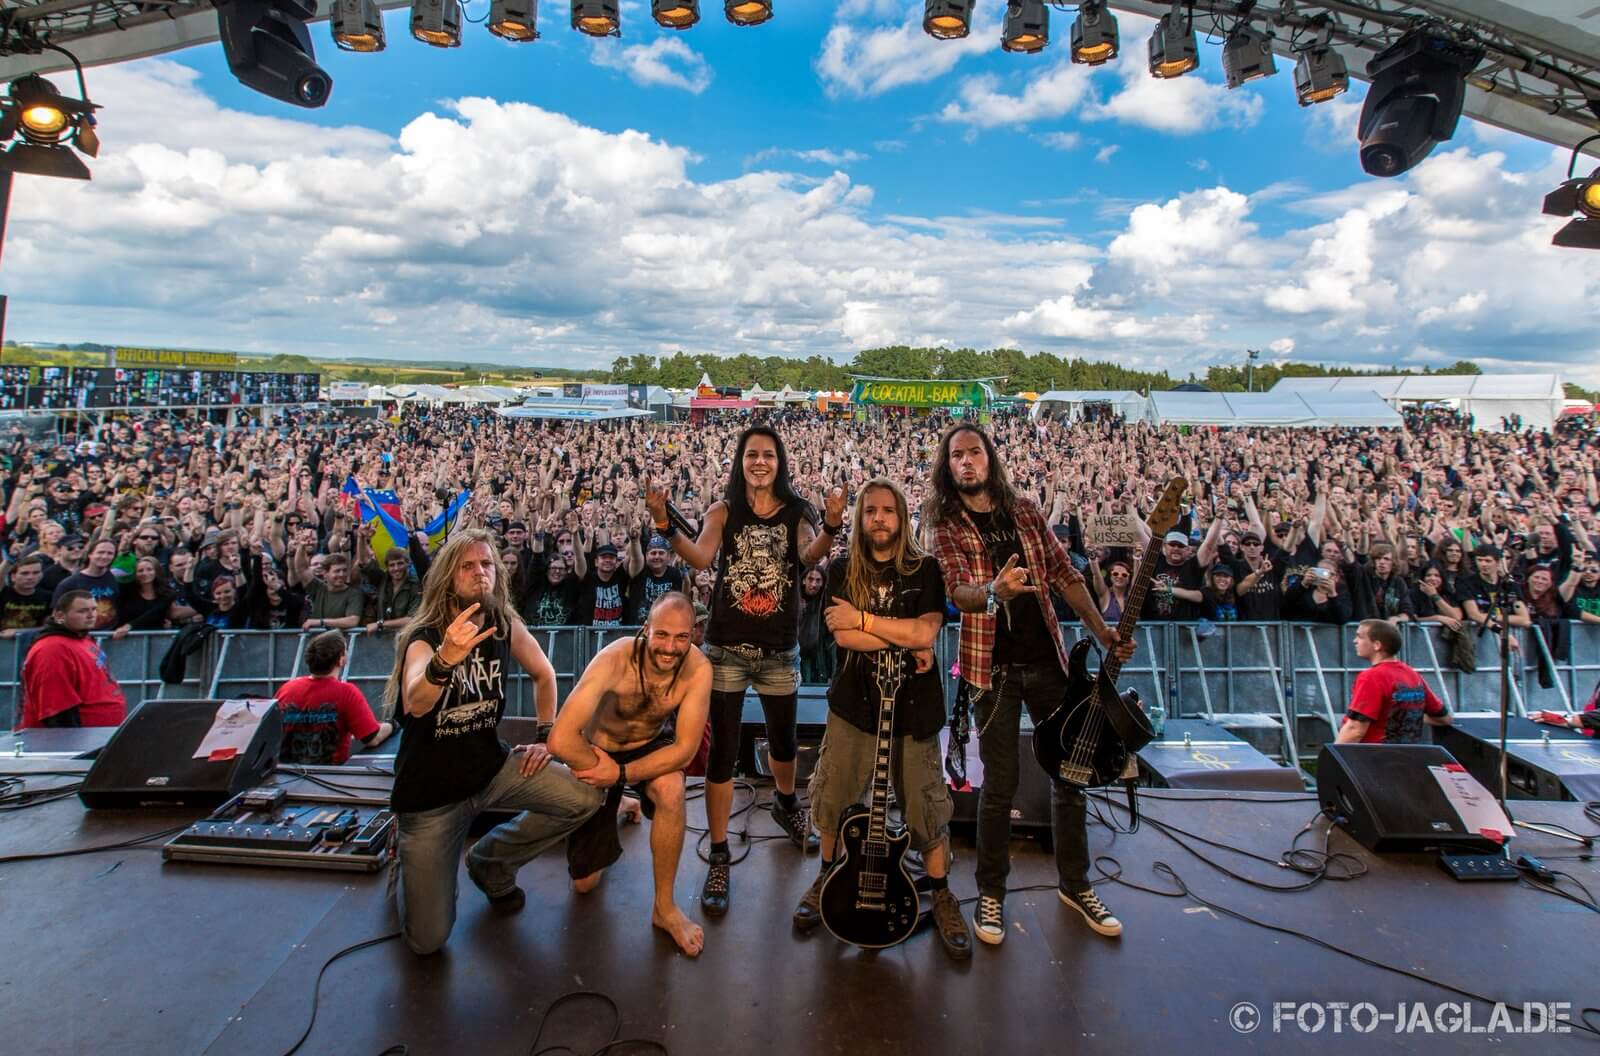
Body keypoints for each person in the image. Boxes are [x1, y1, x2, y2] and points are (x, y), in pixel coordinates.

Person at [925, 423, 1134, 946]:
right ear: (948, 467)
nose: (967, 461)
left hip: (1049, 664)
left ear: (990, 458)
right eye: (957, 456)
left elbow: (1066, 575)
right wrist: (992, 590)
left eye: (975, 452)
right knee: (999, 786)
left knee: (1071, 777)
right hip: (991, 670)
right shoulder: (947, 523)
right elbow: (958, 590)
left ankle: (1076, 883)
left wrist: (1102, 631)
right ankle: (991, 892)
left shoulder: (1025, 512)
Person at [645, 424, 837, 918]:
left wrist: (832, 528)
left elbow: (808, 554)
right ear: (740, 461)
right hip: (727, 647)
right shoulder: (723, 511)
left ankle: (787, 803)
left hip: (777, 649)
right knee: (723, 752)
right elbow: (702, 557)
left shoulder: (798, 511)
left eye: (768, 455)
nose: (760, 462)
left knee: (783, 741)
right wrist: (666, 525)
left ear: (780, 462)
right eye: (752, 455)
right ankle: (719, 850)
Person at [384, 529, 602, 956]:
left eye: (486, 564)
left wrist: (546, 738)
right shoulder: (426, 636)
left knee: (585, 797)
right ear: (448, 577)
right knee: (428, 942)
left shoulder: (503, 624)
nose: (479, 573)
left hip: (491, 769)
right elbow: (416, 701)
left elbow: (545, 673)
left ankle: (490, 863)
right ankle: (403, 862)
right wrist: (446, 658)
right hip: (430, 795)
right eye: (467, 566)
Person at [791, 478, 971, 960]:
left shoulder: (926, 568)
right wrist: (904, 637)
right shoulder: (843, 568)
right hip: (853, 704)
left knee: (925, 807)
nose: (879, 518)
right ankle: (826, 877)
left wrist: (867, 622)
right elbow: (844, 638)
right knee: (832, 797)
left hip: (915, 709)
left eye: (888, 510)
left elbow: (925, 630)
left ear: (902, 516)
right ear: (859, 517)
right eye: (870, 510)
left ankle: (942, 891)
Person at [548, 593, 712, 957]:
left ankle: (664, 908)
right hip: (597, 750)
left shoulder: (698, 669)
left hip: (646, 747)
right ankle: (622, 804)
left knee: (672, 787)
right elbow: (560, 739)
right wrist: (603, 771)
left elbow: (684, 749)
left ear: (693, 635)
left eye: (681, 637)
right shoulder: (614, 659)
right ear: (645, 630)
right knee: (584, 885)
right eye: (662, 635)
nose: (670, 647)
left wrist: (619, 774)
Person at [276, 629, 393, 765]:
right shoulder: (346, 693)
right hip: (328, 777)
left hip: (286, 775)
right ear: (341, 660)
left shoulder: (286, 689)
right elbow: (373, 738)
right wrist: (392, 724)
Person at [18, 590, 127, 729]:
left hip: (98, 735)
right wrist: (72, 746)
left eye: (94, 609)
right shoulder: (53, 649)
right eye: (82, 611)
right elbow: (56, 709)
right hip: (75, 740)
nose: (91, 615)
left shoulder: (82, 638)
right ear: (60, 616)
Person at [1336, 619, 1452, 744]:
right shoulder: (1412, 674)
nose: (1355, 641)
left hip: (1373, 758)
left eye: (1360, 637)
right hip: (1409, 757)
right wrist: (1406, 717)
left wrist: (1332, 760)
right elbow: (1444, 718)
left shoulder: (1371, 677)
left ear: (1377, 645)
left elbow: (1355, 730)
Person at [51, 538, 120, 630]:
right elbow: (57, 615)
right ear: (90, 554)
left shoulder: (116, 579)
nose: (104, 556)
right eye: (100, 552)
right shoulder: (70, 583)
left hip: (110, 637)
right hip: (79, 636)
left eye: (110, 553)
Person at [0, 553, 51, 635]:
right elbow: (1, 576)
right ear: (13, 577)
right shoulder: (3, 592)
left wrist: (18, 632)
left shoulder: (47, 596)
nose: (30, 577)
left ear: (41, 575)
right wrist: (10, 559)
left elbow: (48, 627)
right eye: (24, 573)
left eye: (36, 573)